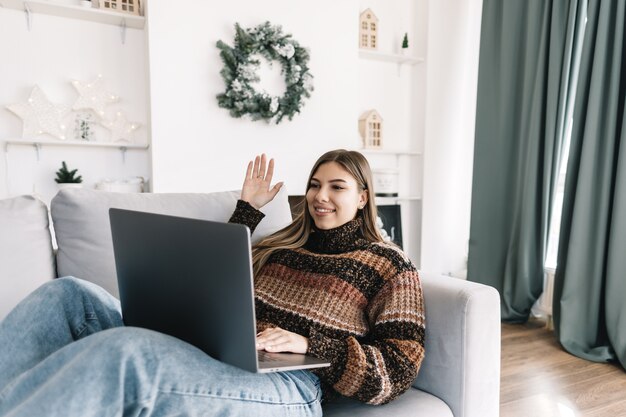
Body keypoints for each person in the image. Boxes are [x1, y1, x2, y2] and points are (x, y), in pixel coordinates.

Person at [0, 149, 425, 417]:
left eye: (337, 186)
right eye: (314, 184)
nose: (320, 196)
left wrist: (312, 344)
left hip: (293, 386)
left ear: (364, 196)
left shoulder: (389, 264)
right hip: (220, 351)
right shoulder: (283, 246)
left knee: (129, 352)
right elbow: (220, 276)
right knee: (68, 294)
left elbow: (398, 371)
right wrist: (248, 209)